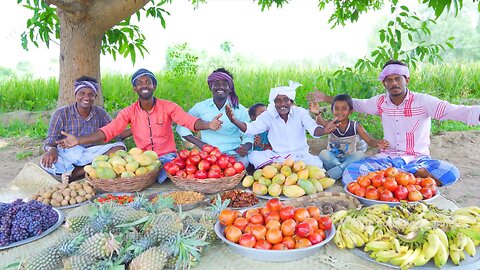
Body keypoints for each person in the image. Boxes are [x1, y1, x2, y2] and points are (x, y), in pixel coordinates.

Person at [308, 59, 480, 186]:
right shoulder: (380, 102)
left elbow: (454, 110)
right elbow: (355, 103)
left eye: (398, 78)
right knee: (350, 174)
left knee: (451, 172)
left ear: (407, 80)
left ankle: (395, 179)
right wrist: (325, 98)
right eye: (389, 80)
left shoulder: (423, 101)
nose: (394, 83)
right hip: (387, 159)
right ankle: (410, 180)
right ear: (384, 83)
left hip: (417, 160)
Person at [57, 68, 223, 183]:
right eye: (140, 83)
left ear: (154, 86)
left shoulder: (168, 107)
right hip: (143, 161)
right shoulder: (129, 112)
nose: (144, 85)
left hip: (167, 157)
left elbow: (189, 121)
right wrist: (78, 140)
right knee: (135, 174)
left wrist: (209, 124)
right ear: (135, 88)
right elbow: (110, 130)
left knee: (171, 171)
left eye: (148, 82)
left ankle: (162, 175)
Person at [225, 81, 339, 169]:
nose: (282, 104)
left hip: (301, 156)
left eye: (286, 100)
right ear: (274, 103)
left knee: (317, 164)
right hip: (278, 157)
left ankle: (280, 171)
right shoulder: (268, 115)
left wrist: (325, 130)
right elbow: (251, 128)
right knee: (253, 155)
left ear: (292, 102)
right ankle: (277, 171)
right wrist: (234, 120)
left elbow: (314, 130)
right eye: (278, 101)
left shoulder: (300, 113)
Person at [41, 76, 128, 183]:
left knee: (119, 147)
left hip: (89, 155)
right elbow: (50, 141)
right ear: (75, 95)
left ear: (95, 96)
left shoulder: (100, 113)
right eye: (81, 93)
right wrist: (52, 150)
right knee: (47, 161)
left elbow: (116, 133)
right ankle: (76, 170)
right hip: (68, 154)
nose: (86, 97)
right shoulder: (61, 114)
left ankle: (78, 172)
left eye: (90, 94)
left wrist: (136, 129)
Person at [176, 68, 253, 166]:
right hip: (206, 156)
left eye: (225, 84)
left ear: (230, 88)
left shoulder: (239, 109)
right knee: (198, 168)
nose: (221, 87)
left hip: (233, 155)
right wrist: (201, 144)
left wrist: (246, 147)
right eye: (216, 83)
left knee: (243, 162)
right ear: (210, 86)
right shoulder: (200, 107)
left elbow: (249, 134)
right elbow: (181, 125)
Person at [310, 94, 389, 180]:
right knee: (323, 153)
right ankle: (342, 170)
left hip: (349, 160)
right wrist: (317, 113)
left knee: (360, 154)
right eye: (336, 108)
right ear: (332, 110)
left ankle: (337, 171)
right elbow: (320, 122)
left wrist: (378, 143)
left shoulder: (356, 126)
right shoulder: (331, 124)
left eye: (344, 109)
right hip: (332, 161)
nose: (340, 112)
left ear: (350, 111)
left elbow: (370, 141)